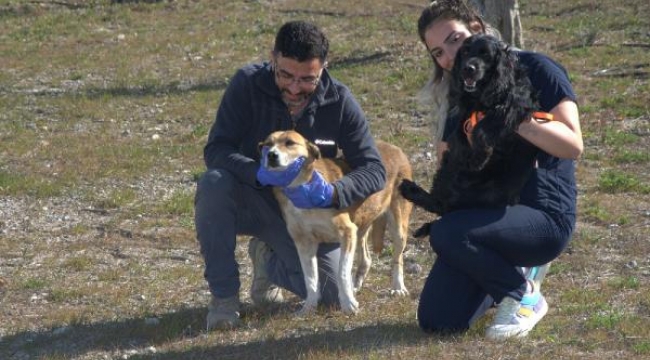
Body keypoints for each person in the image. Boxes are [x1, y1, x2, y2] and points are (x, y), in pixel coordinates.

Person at [194, 20, 386, 330]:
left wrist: (335, 193)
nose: (295, 88)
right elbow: (216, 149)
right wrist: (256, 174)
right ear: (273, 58)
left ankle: (268, 261)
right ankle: (224, 298)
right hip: (256, 200)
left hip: (312, 216)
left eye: (307, 79)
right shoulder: (246, 84)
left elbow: (374, 170)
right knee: (214, 184)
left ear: (324, 67)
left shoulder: (339, 101)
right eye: (285, 75)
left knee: (332, 298)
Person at [414, 0, 583, 340]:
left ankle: (523, 294)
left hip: (542, 214)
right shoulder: (463, 91)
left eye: (454, 39)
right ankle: (501, 271)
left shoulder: (537, 68)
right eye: (437, 53)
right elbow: (450, 164)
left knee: (447, 233)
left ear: (477, 28)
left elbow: (572, 144)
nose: (450, 55)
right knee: (438, 319)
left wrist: (511, 117)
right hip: (488, 212)